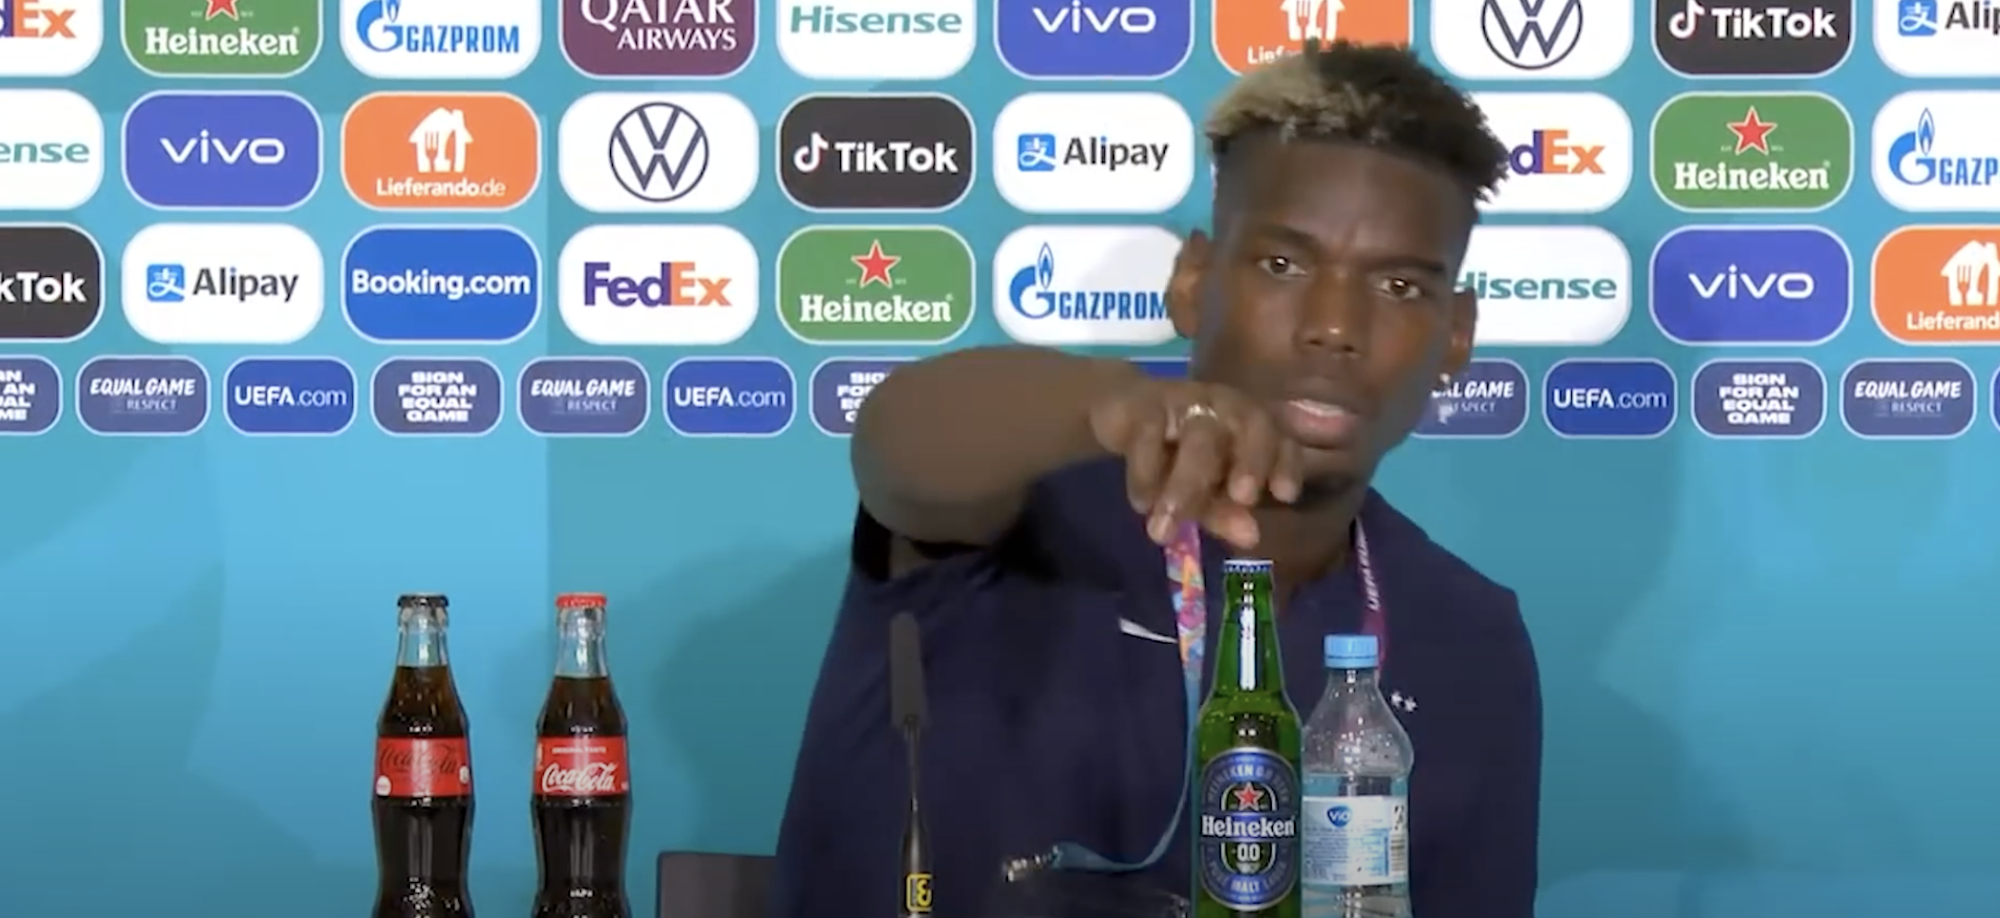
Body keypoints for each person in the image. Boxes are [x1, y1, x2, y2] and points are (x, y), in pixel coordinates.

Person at [770, 40, 1542, 918]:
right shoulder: (1027, 495)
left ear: (1456, 336)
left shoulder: (1471, 633)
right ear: (1193, 283)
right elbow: (897, 443)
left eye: (1401, 285)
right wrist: (1112, 406)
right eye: (1283, 265)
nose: (1335, 327)